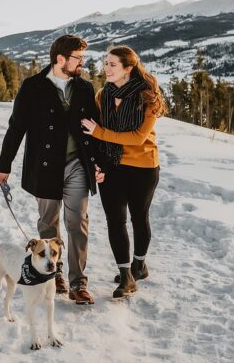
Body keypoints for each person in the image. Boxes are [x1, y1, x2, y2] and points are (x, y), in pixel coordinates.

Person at [0, 34, 107, 305]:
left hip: (76, 165)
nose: (82, 62)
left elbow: (93, 130)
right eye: (77, 58)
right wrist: (4, 165)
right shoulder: (32, 87)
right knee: (48, 222)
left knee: (77, 222)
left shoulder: (83, 87)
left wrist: (98, 163)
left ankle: (78, 283)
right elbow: (16, 127)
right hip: (44, 167)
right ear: (61, 59)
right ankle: (53, 273)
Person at [80, 45, 163, 299]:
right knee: (115, 220)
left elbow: (138, 138)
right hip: (112, 166)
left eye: (112, 64)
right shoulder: (102, 95)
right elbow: (93, 134)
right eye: (105, 63)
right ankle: (126, 275)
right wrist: (97, 163)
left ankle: (140, 264)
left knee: (139, 217)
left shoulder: (148, 97)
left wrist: (100, 133)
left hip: (143, 167)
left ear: (128, 68)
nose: (106, 68)